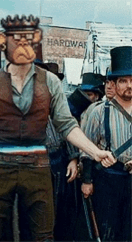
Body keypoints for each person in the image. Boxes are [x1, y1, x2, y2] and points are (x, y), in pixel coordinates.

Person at [0, 15, 115, 241]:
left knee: (42, 235)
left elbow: (66, 124)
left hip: (37, 167)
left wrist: (95, 152)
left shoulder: (50, 82)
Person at [81, 46, 132, 242]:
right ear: (114, 83)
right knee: (107, 231)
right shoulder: (99, 112)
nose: (129, 85)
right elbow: (86, 148)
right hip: (108, 181)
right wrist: (87, 180)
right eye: (123, 81)